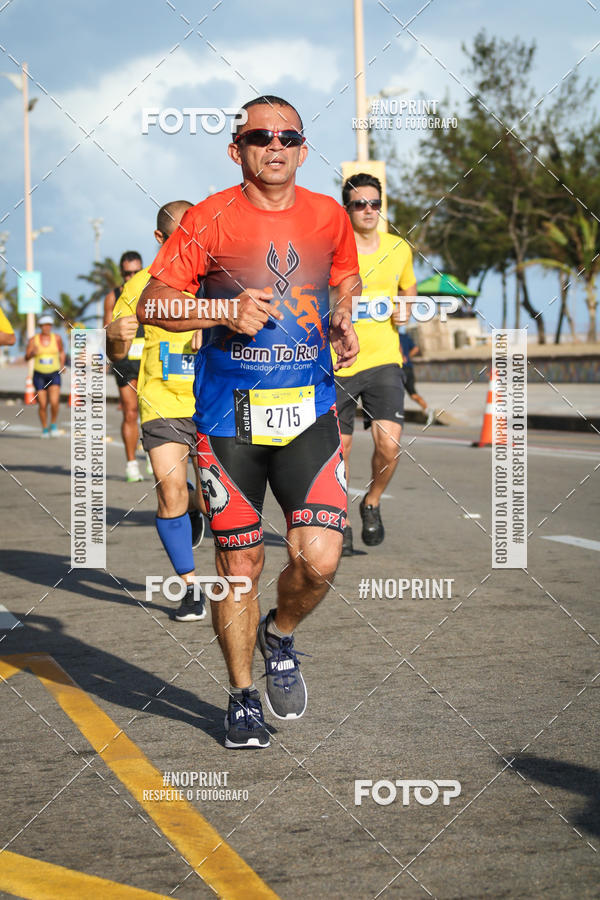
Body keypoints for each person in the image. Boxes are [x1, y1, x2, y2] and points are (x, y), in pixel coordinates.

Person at [138, 95, 361, 749]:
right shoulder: (209, 219)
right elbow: (154, 302)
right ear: (236, 148)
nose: (276, 146)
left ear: (302, 149)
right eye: (261, 136)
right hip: (225, 423)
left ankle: (281, 635)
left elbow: (343, 275)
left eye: (288, 137)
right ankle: (239, 699)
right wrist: (222, 314)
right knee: (241, 568)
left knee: (318, 561)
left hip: (308, 415)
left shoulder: (328, 216)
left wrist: (343, 314)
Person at [106, 201, 207, 623]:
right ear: (160, 240)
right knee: (170, 492)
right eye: (180, 237)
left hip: (214, 403)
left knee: (213, 499)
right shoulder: (140, 286)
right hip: (161, 402)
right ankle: (190, 588)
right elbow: (118, 350)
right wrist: (114, 336)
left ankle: (198, 510)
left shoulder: (217, 278)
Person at [333, 173, 417, 556]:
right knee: (341, 450)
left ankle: (372, 501)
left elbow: (408, 287)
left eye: (374, 204)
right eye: (359, 204)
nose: (368, 210)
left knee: (390, 444)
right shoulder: (333, 249)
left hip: (385, 358)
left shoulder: (399, 248)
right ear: (346, 208)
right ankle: (342, 521)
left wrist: (406, 309)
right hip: (340, 363)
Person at [104, 251, 145, 482]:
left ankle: (151, 451)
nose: (131, 277)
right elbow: (106, 331)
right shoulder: (113, 296)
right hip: (124, 360)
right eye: (127, 273)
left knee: (149, 412)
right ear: (121, 273)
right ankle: (131, 464)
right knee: (130, 411)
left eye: (136, 272)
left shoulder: (151, 294)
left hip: (150, 357)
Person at [25, 313, 66, 438]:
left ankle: (53, 424)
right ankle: (44, 428)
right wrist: (33, 352)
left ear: (51, 326)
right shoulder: (34, 340)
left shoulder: (57, 338)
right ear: (40, 326)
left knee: (54, 402)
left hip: (54, 373)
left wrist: (62, 365)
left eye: (49, 325)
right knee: (42, 404)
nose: (46, 328)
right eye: (44, 325)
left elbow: (62, 352)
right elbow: (26, 357)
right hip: (39, 375)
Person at [399, 328, 435, 425]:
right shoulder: (405, 337)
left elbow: (400, 347)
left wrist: (402, 357)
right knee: (413, 394)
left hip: (400, 369)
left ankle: (395, 415)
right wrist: (408, 356)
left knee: (396, 393)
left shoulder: (394, 337)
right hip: (408, 369)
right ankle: (427, 409)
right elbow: (416, 349)